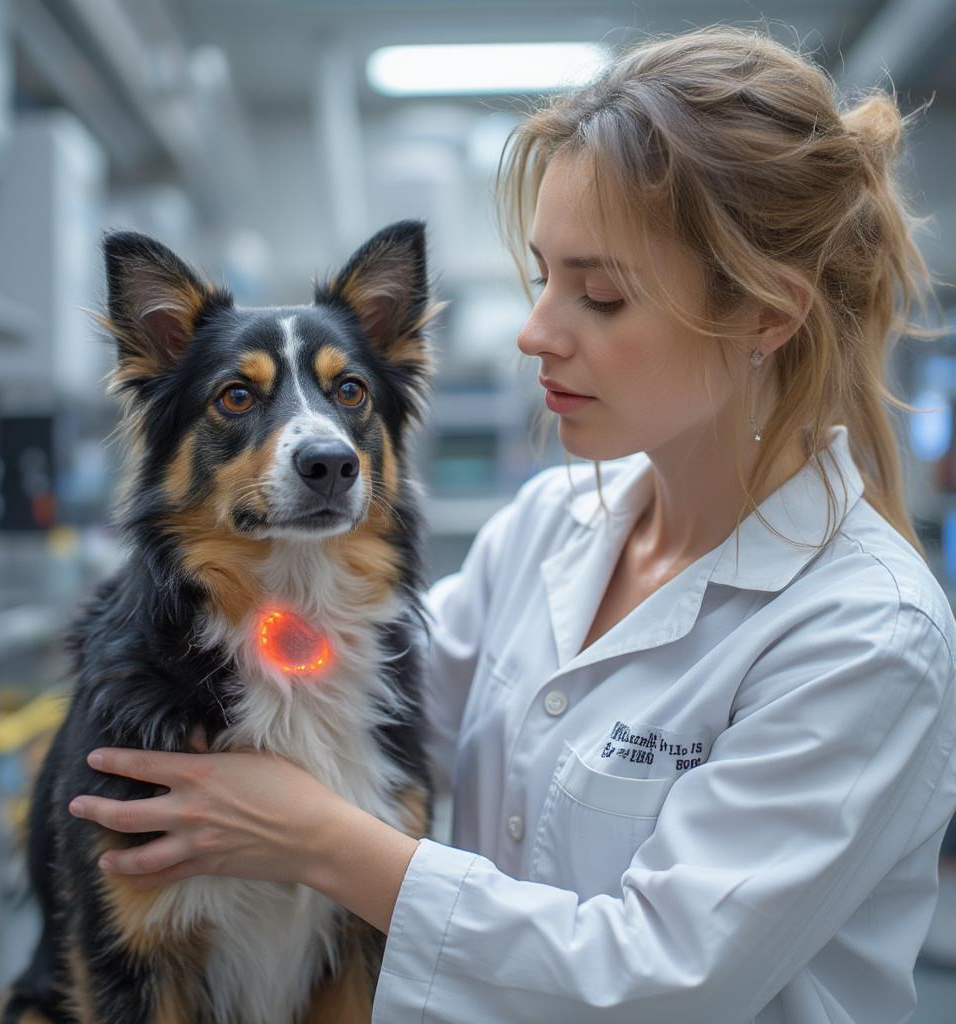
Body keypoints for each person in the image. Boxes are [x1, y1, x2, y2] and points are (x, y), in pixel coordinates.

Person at [67, 24, 956, 1023]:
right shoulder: (548, 529)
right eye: (543, 278)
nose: (535, 331)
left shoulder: (864, 634)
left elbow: (654, 981)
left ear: (766, 316)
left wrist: (319, 838)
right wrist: (193, 626)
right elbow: (359, 696)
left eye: (600, 294)